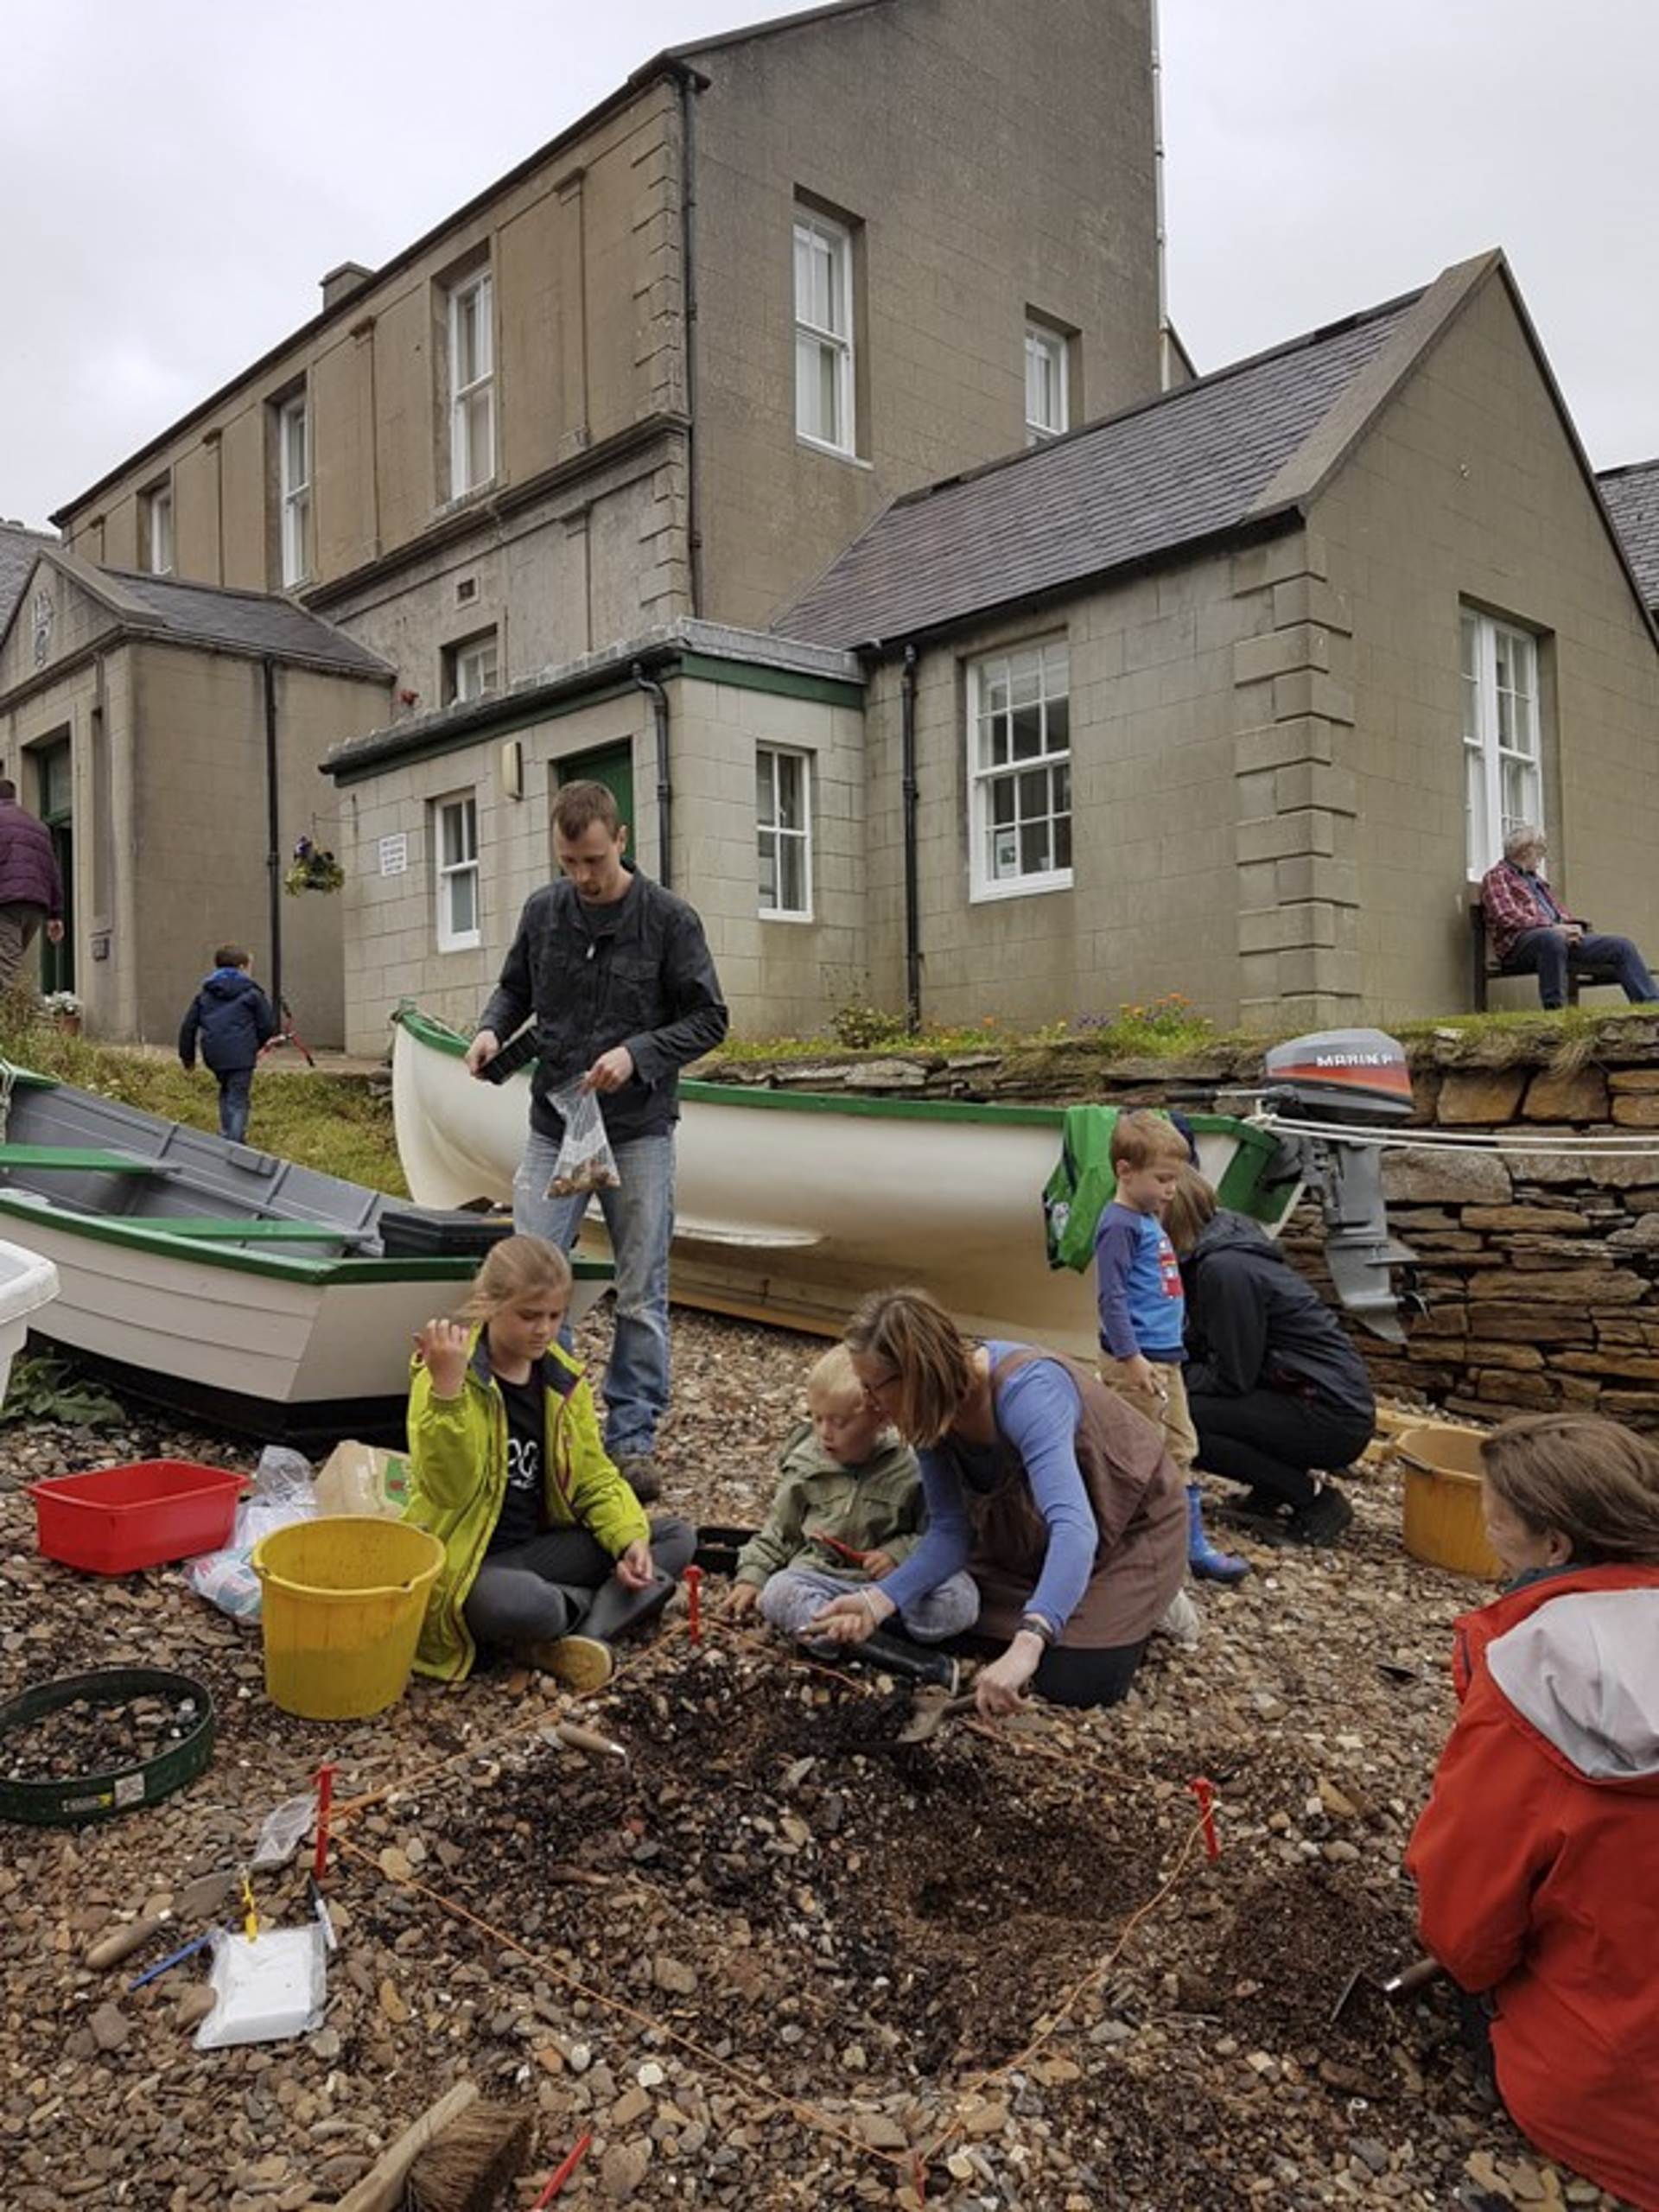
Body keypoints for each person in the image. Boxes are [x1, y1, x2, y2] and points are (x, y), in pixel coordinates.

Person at [1405, 1414, 1659, 2210]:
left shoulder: (1534, 1680)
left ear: (1554, 1547)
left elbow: (1466, 1930)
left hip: (1615, 2095)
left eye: (1495, 1523)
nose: (1487, 1537)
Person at [465, 781, 728, 1505]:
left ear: (621, 841)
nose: (581, 876)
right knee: (526, 1279)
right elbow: (514, 989)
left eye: (591, 860)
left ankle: (632, 1439)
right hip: (554, 1121)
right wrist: (491, 1027)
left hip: (639, 1128)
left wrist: (639, 1053)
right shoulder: (544, 912)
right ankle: (559, 1423)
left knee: (641, 1289)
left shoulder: (671, 920)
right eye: (567, 863)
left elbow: (710, 1020)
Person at [809, 1287, 1186, 1713]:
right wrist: (874, 1602)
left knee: (1071, 1684)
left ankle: (1157, 1598)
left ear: (916, 1374)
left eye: (873, 1388)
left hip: (1129, 1533)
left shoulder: (1029, 1391)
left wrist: (1027, 1645)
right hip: (1033, 1534)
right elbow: (951, 1531)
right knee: (945, 1625)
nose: (869, 1402)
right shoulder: (929, 1412)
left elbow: (1074, 1527)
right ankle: (1058, 1595)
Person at [402, 1234, 696, 1690]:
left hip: (541, 1551)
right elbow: (449, 1489)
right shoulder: (448, 1374)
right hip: (475, 1566)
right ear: (489, 1305)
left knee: (674, 1536)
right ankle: (596, 1615)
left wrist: (628, 1542)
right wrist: (447, 1395)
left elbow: (593, 1477)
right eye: (529, 1316)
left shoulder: (560, 1377)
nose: (544, 1329)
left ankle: (572, 1636)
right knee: (524, 1606)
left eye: (555, 1316)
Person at [727, 1342, 978, 1687]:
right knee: (778, 1593)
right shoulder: (805, 1464)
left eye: (839, 1422)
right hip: (825, 1579)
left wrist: (897, 1554)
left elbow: (938, 1535)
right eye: (816, 1418)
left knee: (961, 1598)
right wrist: (751, 1576)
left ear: (880, 1415)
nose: (824, 1432)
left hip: (893, 1589)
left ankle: (854, 1637)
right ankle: (885, 1650)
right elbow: (779, 1531)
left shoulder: (912, 1468)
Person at [1166, 1168, 1372, 1546]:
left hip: (1331, 1414)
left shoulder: (1223, 1269)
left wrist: (1170, 1379)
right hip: (1314, 1397)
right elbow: (1207, 1342)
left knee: (1182, 1417)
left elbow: (1232, 1376)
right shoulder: (1219, 1253)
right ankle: (1272, 1489)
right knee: (1188, 1403)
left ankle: (1315, 1500)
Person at [1093, 1110, 1248, 1586]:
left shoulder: (1146, 1216)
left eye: (1175, 1179)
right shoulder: (1118, 1225)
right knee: (1139, 1451)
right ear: (1125, 1171)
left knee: (1181, 1444)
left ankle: (1187, 1544)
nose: (1171, 1190)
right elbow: (1111, 1297)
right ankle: (1131, 1548)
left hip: (1166, 1356)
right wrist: (1131, 1357)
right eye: (1163, 1179)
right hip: (1136, 1361)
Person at [1479, 823, 1658, 1011]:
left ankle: (1652, 1008)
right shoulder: (1497, 876)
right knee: (1552, 938)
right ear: (1526, 851)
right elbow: (1506, 915)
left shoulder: (1537, 881)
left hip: (1557, 938)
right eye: (1540, 851)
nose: (1542, 857)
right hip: (1520, 944)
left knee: (1622, 945)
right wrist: (1553, 927)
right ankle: (1556, 1010)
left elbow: (1558, 913)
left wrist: (1573, 927)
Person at [177, 944, 278, 1144]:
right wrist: (259, 1045)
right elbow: (267, 1025)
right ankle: (234, 1145)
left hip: (214, 1055)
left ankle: (225, 1135)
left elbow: (188, 1027)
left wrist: (187, 1057)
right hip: (241, 1056)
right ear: (242, 967)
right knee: (239, 1099)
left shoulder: (205, 994)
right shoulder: (252, 993)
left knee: (226, 1090)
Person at [0, 776, 65, 996]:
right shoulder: (38, 827)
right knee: (11, 968)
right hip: (36, 907)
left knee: (9, 975)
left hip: (6, 904)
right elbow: (52, 871)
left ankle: (41, 1024)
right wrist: (56, 915)